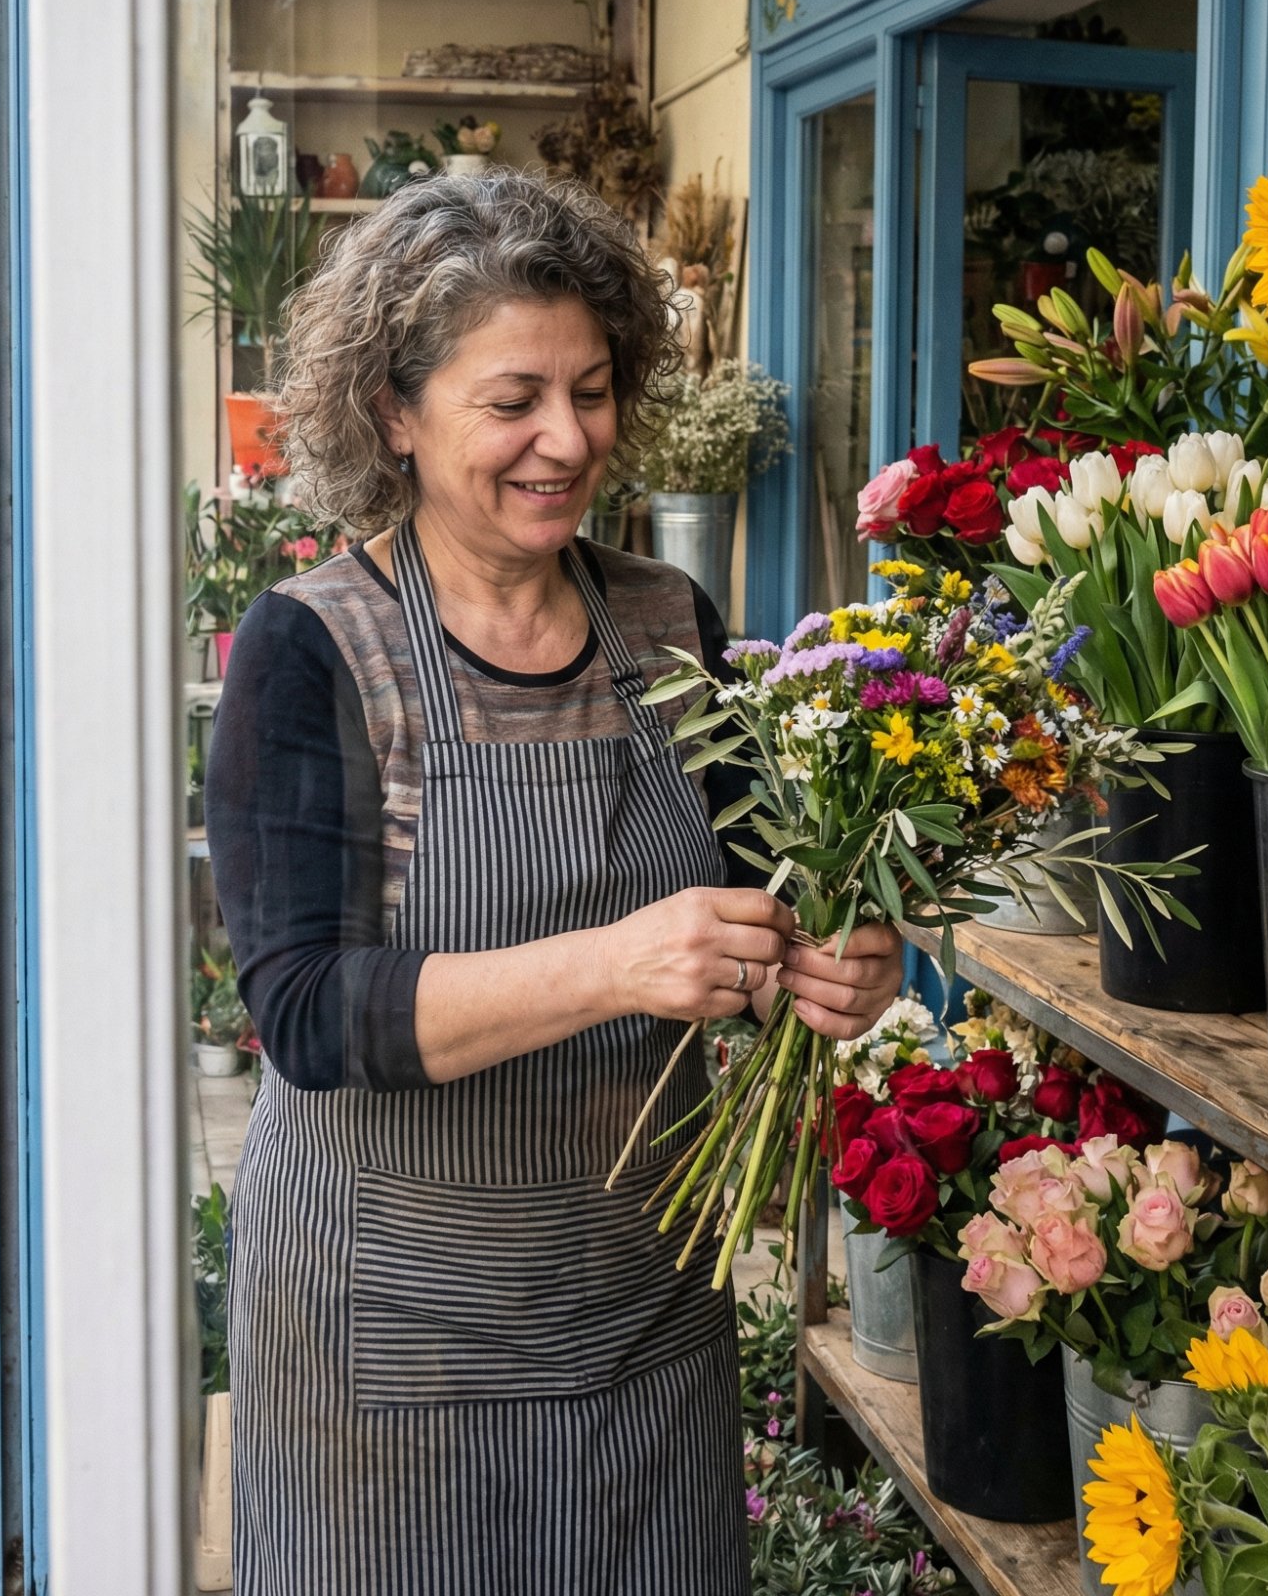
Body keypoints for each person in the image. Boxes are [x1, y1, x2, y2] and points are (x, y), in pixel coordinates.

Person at [206, 170, 903, 1592]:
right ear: (395, 414)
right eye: (514, 398)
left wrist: (837, 957)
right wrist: (616, 966)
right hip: (391, 1350)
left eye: (590, 392)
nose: (565, 439)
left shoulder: (669, 620)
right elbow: (307, 1013)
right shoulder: (314, 649)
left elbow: (770, 889)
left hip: (643, 1314)